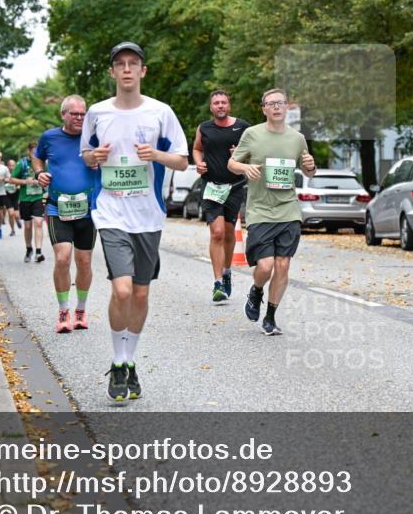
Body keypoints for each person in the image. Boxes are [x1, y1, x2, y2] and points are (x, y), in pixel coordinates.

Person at [81, 42, 188, 401]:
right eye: (120, 64)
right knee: (122, 289)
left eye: (133, 64)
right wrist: (93, 157)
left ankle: (130, 360)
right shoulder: (97, 113)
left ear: (143, 71)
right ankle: (117, 360)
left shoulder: (161, 112)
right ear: (112, 72)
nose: (127, 69)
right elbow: (86, 155)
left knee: (141, 293)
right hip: (110, 212)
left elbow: (182, 161)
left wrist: (156, 154)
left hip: (149, 215)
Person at [228, 88, 316, 336]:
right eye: (271, 103)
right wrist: (245, 167)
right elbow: (232, 164)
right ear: (263, 108)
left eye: (281, 103)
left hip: (288, 210)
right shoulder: (252, 134)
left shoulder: (297, 138)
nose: (277, 107)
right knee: (265, 266)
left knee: (283, 265)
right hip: (260, 210)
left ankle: (270, 317)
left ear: (287, 107)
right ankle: (256, 290)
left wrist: (311, 167)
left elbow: (308, 169)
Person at [36, 95, 99, 332]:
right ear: (63, 114)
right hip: (56, 207)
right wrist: (39, 173)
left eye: (83, 114)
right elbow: (37, 156)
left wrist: (100, 165)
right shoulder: (49, 137)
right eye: (74, 114)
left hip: (86, 210)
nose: (80, 118)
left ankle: (80, 310)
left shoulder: (93, 139)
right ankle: (63, 312)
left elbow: (111, 161)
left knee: (84, 262)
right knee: (62, 258)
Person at [193, 90, 251, 301]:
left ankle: (227, 272)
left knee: (228, 234)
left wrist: (240, 155)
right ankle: (217, 283)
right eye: (216, 103)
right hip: (211, 185)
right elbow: (197, 148)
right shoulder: (204, 128)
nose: (220, 106)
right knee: (216, 233)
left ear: (229, 105)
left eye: (223, 102)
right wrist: (199, 163)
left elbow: (253, 152)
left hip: (235, 186)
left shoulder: (243, 127)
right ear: (211, 107)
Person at [10, 142, 46, 263]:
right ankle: (29, 248)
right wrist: (25, 181)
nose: (35, 154)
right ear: (29, 151)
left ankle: (39, 252)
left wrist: (43, 181)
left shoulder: (43, 163)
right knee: (28, 226)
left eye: (37, 152)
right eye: (33, 151)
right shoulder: (22, 163)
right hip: (25, 199)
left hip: (39, 197)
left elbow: (52, 176)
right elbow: (12, 179)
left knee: (38, 222)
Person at [4, 158, 20, 235]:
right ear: (7, 166)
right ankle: (12, 230)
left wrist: (18, 185)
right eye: (10, 165)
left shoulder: (18, 173)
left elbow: (22, 183)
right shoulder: (4, 173)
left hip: (16, 195)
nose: (11, 167)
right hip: (7, 196)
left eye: (13, 165)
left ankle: (17, 220)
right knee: (11, 214)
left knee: (16, 214)